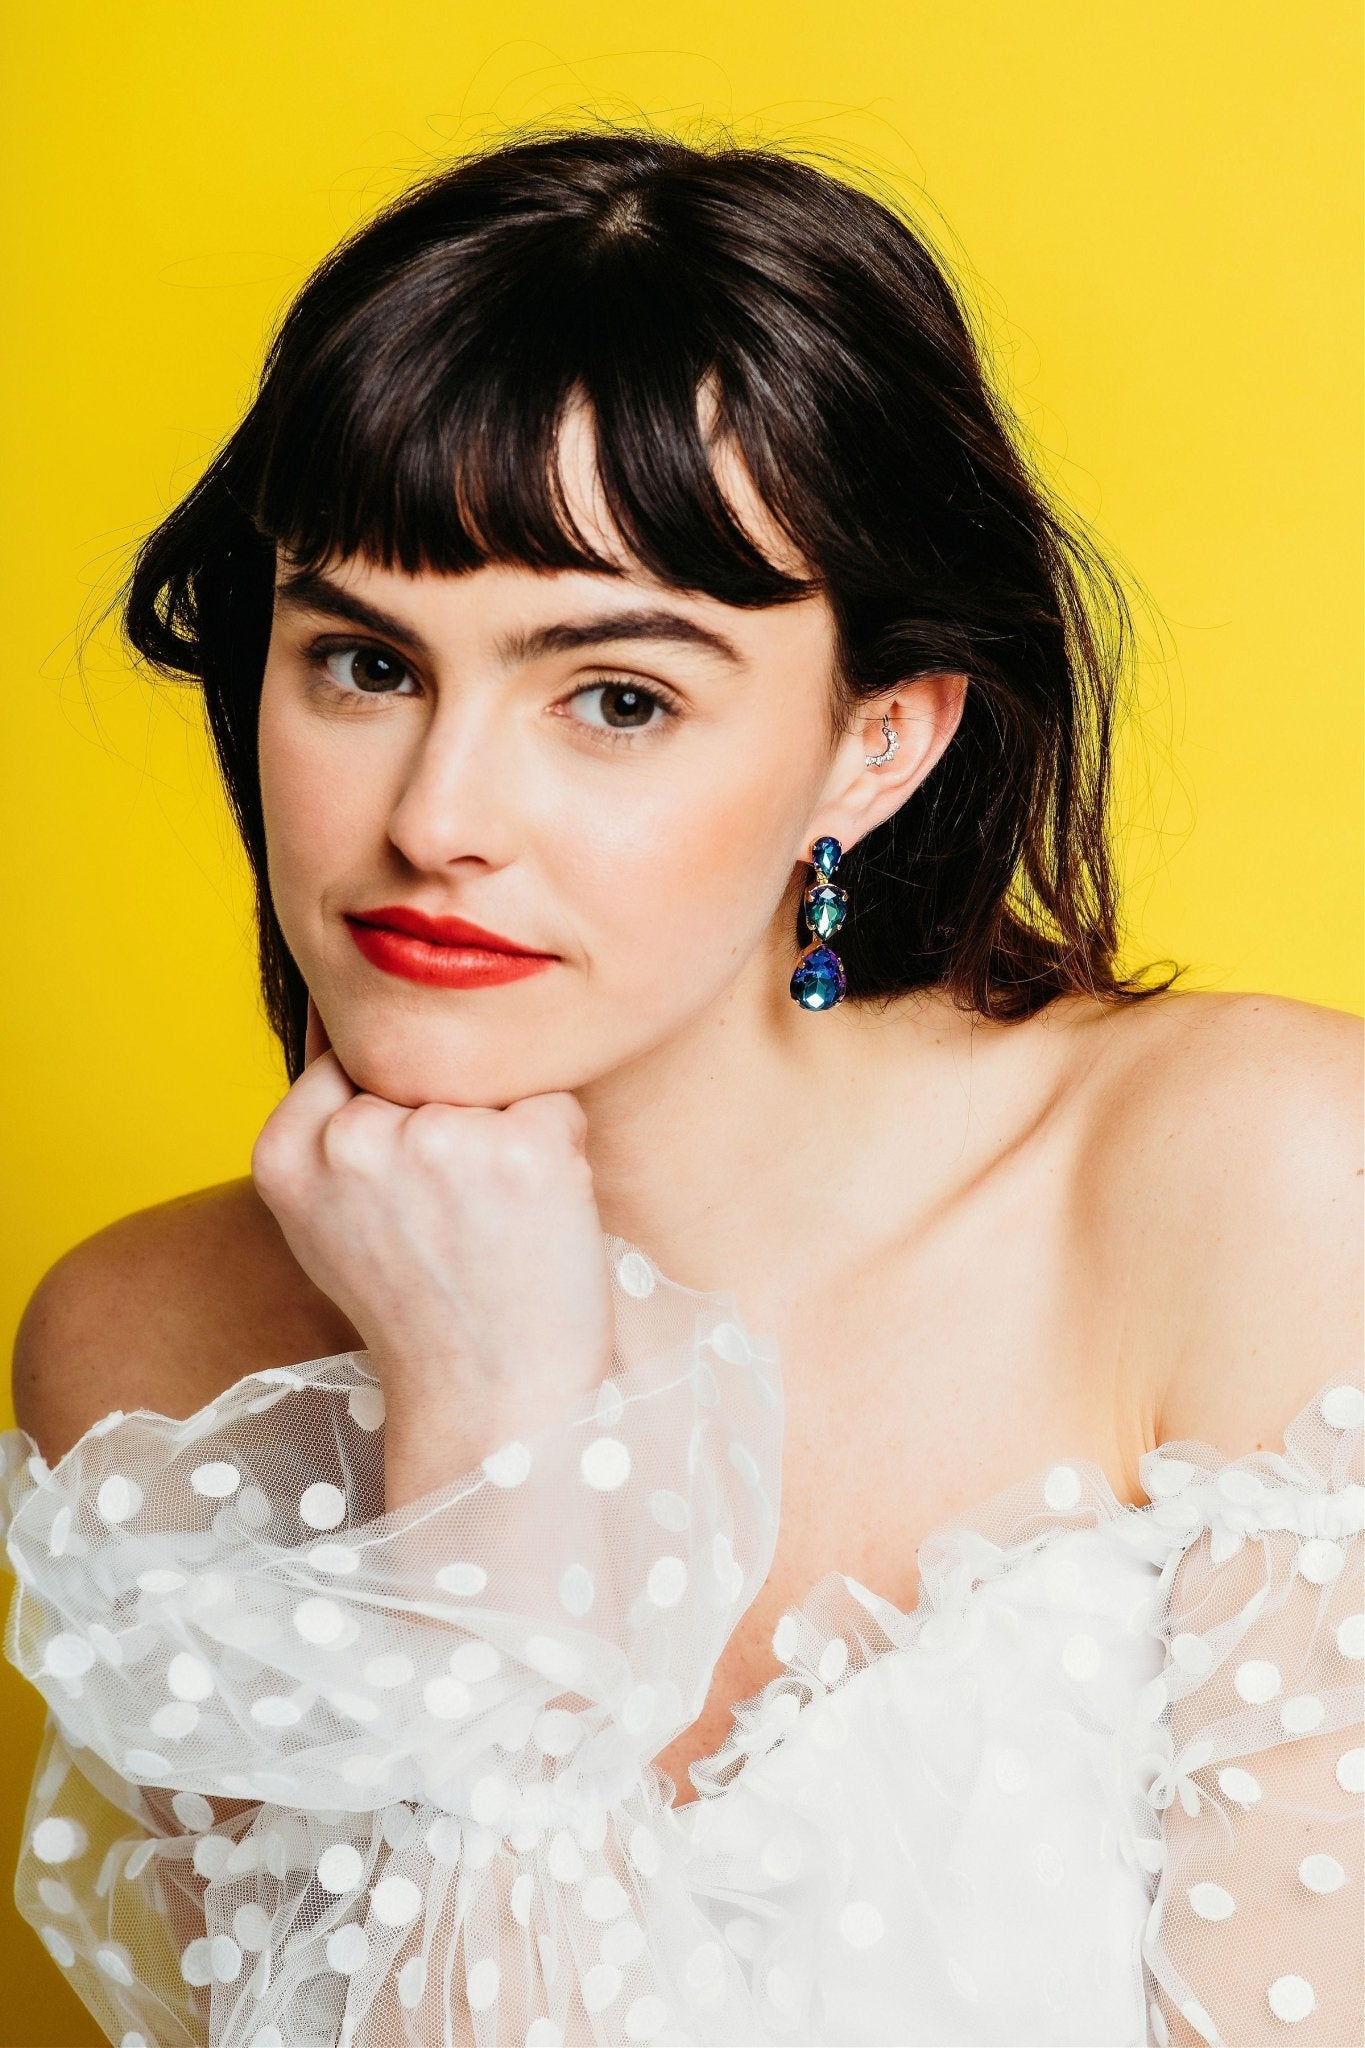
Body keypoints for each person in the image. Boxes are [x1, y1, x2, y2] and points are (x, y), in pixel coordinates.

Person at [1, 129, 1360, 2048]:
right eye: (365, 664)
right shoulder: (153, 1352)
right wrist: (487, 1430)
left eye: (617, 698)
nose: (437, 819)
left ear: (875, 747)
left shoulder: (1263, 1190)